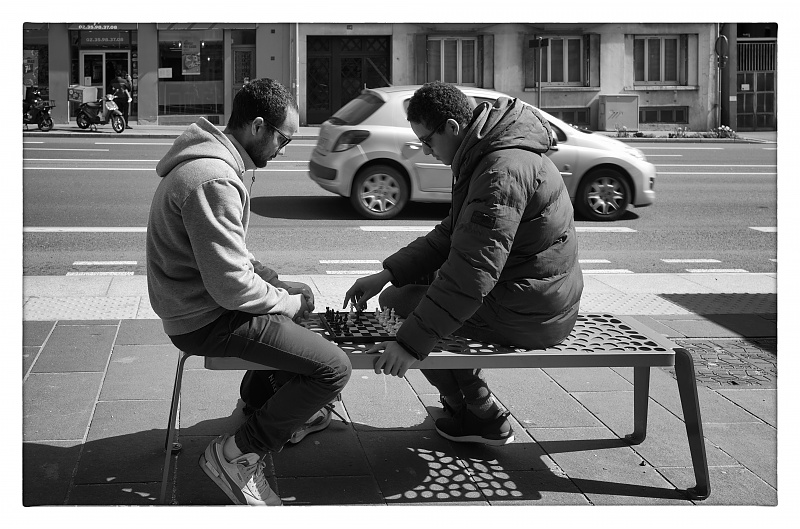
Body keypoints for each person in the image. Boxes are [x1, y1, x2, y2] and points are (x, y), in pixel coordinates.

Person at [146, 78, 352, 506]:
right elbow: (232, 287)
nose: (284, 150)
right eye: (283, 139)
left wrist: (275, 280)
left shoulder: (213, 165)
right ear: (258, 126)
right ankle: (238, 455)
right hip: (205, 320)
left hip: (201, 306)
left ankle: (261, 403)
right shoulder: (213, 179)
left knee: (297, 314)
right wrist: (286, 301)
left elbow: (225, 252)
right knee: (334, 368)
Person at [344, 81, 583, 446]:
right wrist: (387, 273)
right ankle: (468, 406)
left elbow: (471, 275)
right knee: (405, 293)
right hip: (534, 294)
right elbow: (452, 234)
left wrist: (408, 345)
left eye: (427, 141)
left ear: (453, 127)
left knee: (400, 306)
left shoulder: (500, 171)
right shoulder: (492, 152)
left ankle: (479, 413)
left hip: (532, 312)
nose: (426, 151)